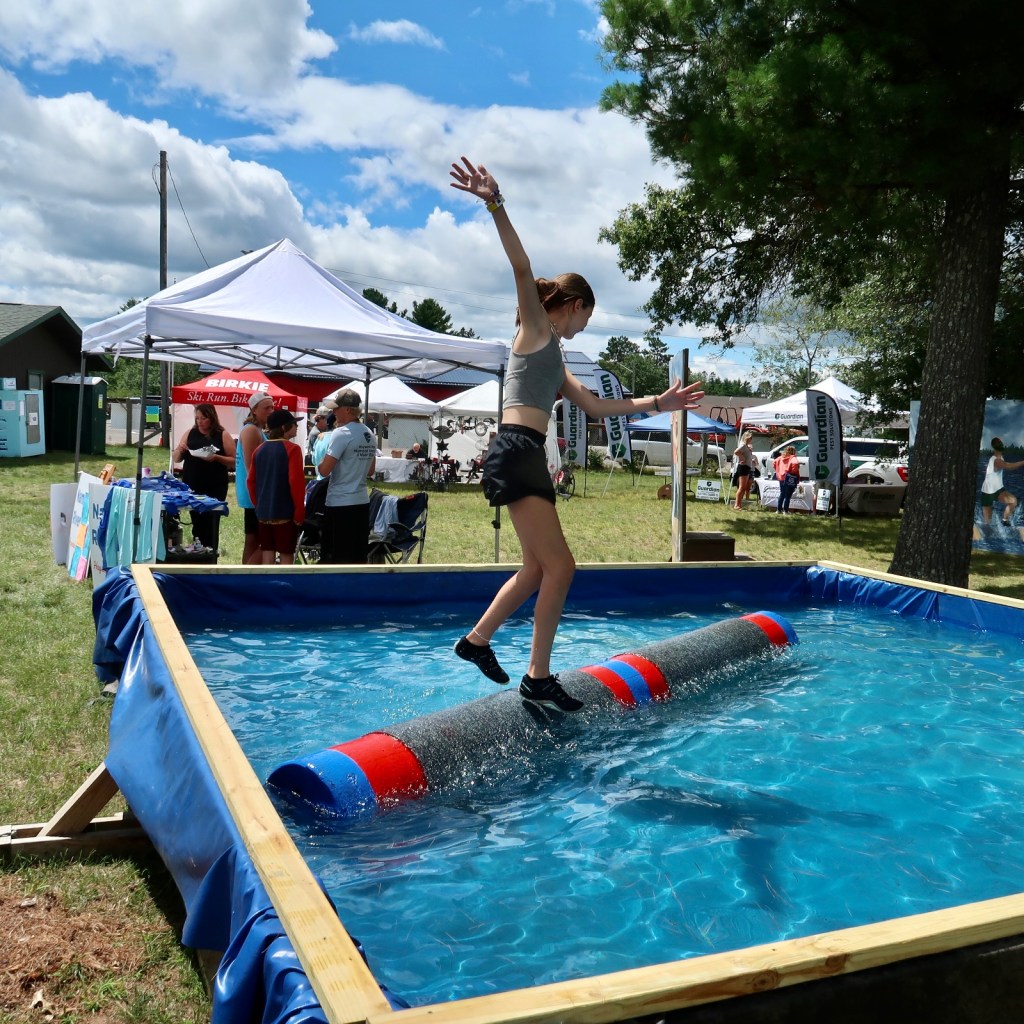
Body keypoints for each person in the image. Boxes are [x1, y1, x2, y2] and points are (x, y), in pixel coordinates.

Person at [448, 156, 705, 712]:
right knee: (561, 566)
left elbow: (595, 406)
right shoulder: (535, 328)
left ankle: (476, 641)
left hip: (524, 455)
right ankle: (537, 675)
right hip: (515, 451)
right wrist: (496, 203)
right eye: (587, 316)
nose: (587, 325)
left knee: (539, 566)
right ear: (574, 304)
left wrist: (661, 402)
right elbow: (521, 270)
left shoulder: (557, 362)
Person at [316, 389, 377, 563]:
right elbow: (371, 470)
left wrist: (320, 462)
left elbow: (324, 470)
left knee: (336, 558)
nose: (333, 412)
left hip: (340, 503)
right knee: (357, 557)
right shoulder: (369, 433)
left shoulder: (341, 433)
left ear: (348, 410)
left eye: (337, 409)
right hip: (361, 502)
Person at [172, 403, 235, 552]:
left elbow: (234, 461)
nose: (200, 422)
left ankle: (210, 552)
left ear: (212, 418)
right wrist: (180, 450)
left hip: (214, 485)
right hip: (192, 483)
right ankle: (198, 552)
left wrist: (216, 458)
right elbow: (176, 458)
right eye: (197, 418)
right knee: (197, 521)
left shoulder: (222, 434)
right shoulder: (190, 433)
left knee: (211, 521)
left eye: (204, 418)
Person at [247, 409, 306, 564]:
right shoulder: (293, 449)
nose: (297, 427)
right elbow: (296, 482)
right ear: (284, 427)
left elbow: (250, 481)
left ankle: (268, 587)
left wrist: (258, 505)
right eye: (294, 424)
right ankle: (284, 587)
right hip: (285, 513)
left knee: (267, 552)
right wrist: (299, 511)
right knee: (286, 554)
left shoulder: (259, 450)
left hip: (264, 513)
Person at [236, 393, 275, 563]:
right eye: (267, 408)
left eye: (272, 407)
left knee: (255, 539)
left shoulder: (257, 429)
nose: (271, 411)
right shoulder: (251, 430)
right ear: (254, 409)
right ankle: (245, 576)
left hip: (254, 493)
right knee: (255, 540)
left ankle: (245, 576)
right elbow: (250, 467)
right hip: (255, 495)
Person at [980, 437, 1024, 526]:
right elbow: (1010, 466)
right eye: (1000, 442)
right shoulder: (996, 460)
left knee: (1013, 501)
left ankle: (1004, 520)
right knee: (987, 523)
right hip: (987, 493)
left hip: (998, 489)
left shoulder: (1000, 458)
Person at [730, 431, 756, 510]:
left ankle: (739, 504)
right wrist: (742, 457)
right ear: (746, 437)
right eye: (750, 438)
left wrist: (749, 450)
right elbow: (736, 452)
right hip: (743, 467)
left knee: (744, 488)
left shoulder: (746, 446)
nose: (751, 439)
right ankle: (736, 505)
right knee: (741, 487)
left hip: (747, 467)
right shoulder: (743, 445)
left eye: (751, 438)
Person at [773, 444, 801, 514]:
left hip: (781, 478)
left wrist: (778, 470)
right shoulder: (793, 458)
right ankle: (785, 510)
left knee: (782, 493)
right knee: (788, 495)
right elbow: (795, 465)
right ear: (793, 452)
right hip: (789, 478)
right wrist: (792, 472)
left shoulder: (780, 458)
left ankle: (778, 510)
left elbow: (774, 462)